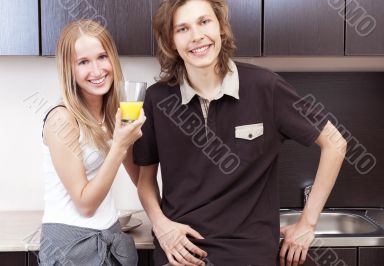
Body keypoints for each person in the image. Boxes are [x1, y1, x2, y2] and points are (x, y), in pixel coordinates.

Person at [134, 0, 347, 265]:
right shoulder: (157, 99)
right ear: (170, 41)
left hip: (249, 254)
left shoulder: (265, 87)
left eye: (204, 22)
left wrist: (308, 222)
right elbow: (145, 180)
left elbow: (335, 143)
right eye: (182, 29)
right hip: (181, 253)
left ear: (221, 27)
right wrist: (160, 224)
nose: (196, 36)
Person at [39, 19, 145, 266]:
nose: (97, 71)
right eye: (83, 62)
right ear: (70, 70)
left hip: (111, 233)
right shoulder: (62, 119)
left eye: (102, 57)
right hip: (70, 247)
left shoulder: (114, 115)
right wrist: (119, 146)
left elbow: (141, 179)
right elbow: (85, 204)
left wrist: (167, 219)